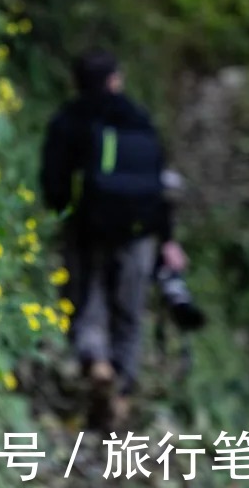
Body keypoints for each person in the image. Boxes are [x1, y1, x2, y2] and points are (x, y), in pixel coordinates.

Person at [39, 50, 188, 428]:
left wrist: (63, 213)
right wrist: (167, 238)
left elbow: (53, 176)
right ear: (114, 79)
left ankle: (96, 361)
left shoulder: (73, 117)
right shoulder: (138, 117)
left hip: (88, 224)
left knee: (85, 299)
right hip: (139, 232)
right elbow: (158, 182)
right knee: (129, 312)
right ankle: (119, 388)